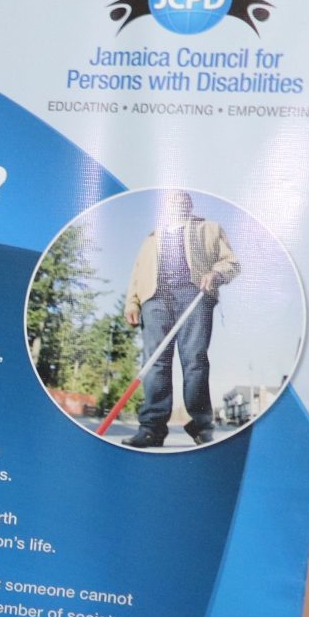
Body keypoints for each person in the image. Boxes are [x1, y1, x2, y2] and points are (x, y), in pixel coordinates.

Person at [121, 190, 239, 447]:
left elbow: (231, 263)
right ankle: (152, 428)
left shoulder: (209, 228)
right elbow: (137, 273)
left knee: (195, 359)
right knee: (155, 362)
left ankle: (201, 427)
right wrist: (132, 301)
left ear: (189, 204)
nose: (176, 200)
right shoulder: (151, 238)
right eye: (171, 198)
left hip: (194, 293)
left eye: (181, 197)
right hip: (155, 298)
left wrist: (215, 274)